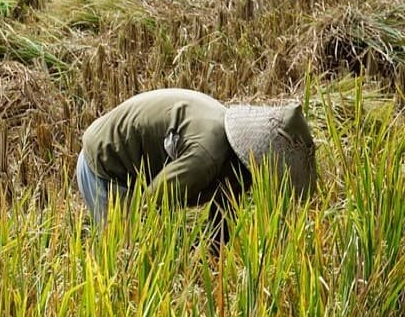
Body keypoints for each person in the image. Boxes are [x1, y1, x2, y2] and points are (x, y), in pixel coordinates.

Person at [76, 88, 316, 246]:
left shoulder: (239, 165)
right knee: (125, 256)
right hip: (108, 163)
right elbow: (151, 204)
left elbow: (222, 223)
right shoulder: (205, 157)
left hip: (137, 166)